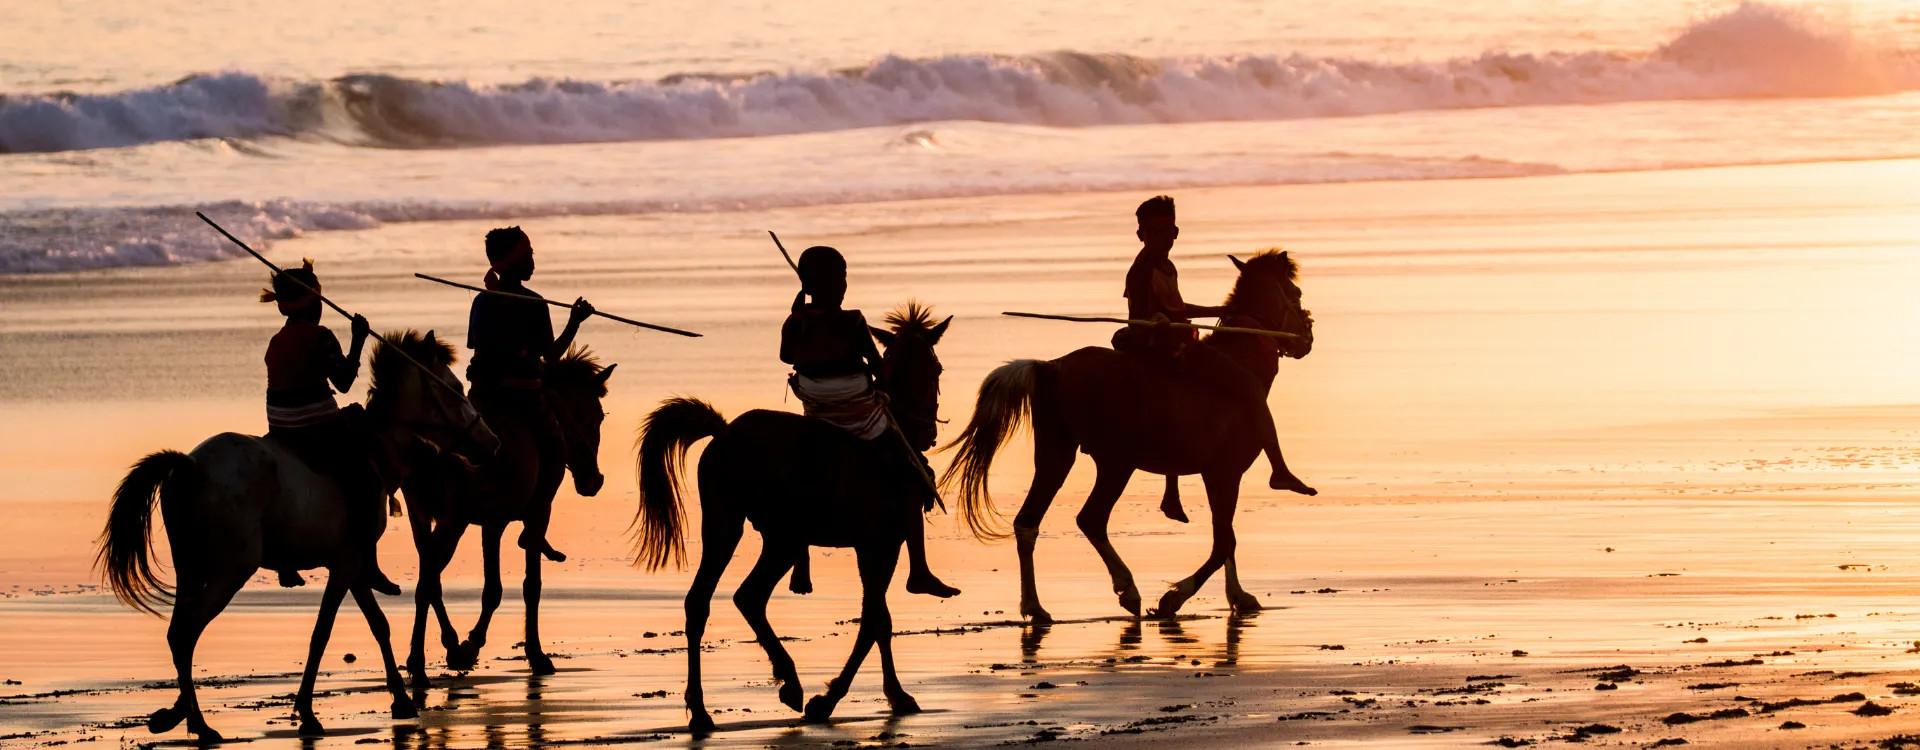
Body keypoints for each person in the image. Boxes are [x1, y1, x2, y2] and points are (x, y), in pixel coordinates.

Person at [1114, 196, 1316, 523]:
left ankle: (1172, 492)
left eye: (1168, 231)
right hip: (1162, 347)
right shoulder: (1142, 271)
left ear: (1176, 233)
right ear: (1141, 235)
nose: (1163, 238)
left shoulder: (1166, 265)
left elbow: (1177, 308)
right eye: (1155, 233)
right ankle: (1278, 469)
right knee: (1249, 384)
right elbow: (1139, 317)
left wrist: (1216, 311)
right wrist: (1157, 322)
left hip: (1175, 340)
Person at [781, 246, 959, 598]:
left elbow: (788, 355)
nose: (845, 283)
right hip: (856, 410)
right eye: (842, 276)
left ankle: (801, 562)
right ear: (834, 284)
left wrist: (804, 324)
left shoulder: (795, 322)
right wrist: (883, 390)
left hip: (816, 408)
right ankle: (919, 571)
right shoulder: (854, 320)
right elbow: (879, 370)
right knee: (912, 469)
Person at [260, 260, 399, 595]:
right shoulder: (321, 336)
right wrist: (358, 340)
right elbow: (346, 381)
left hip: (280, 430)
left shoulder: (277, 340)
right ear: (313, 304)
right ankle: (368, 563)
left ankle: (284, 564)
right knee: (367, 475)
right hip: (315, 427)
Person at [466, 226, 593, 561]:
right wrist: (575, 322)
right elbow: (550, 356)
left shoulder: (482, 300)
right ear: (514, 262)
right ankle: (534, 529)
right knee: (554, 451)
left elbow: (479, 346)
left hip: (482, 395)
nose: (533, 261)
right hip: (519, 397)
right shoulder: (534, 303)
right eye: (529, 255)